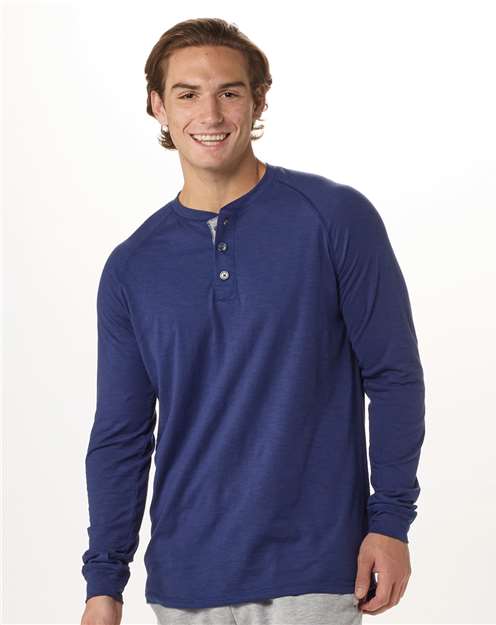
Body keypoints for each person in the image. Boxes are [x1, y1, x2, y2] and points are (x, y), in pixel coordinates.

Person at [80, 17, 425, 625]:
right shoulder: (132, 266)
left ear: (258, 100)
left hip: (315, 569)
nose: (209, 114)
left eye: (229, 92)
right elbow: (121, 433)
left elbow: (393, 375)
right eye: (188, 94)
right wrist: (104, 583)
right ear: (158, 106)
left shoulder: (334, 218)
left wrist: (391, 520)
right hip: (184, 584)